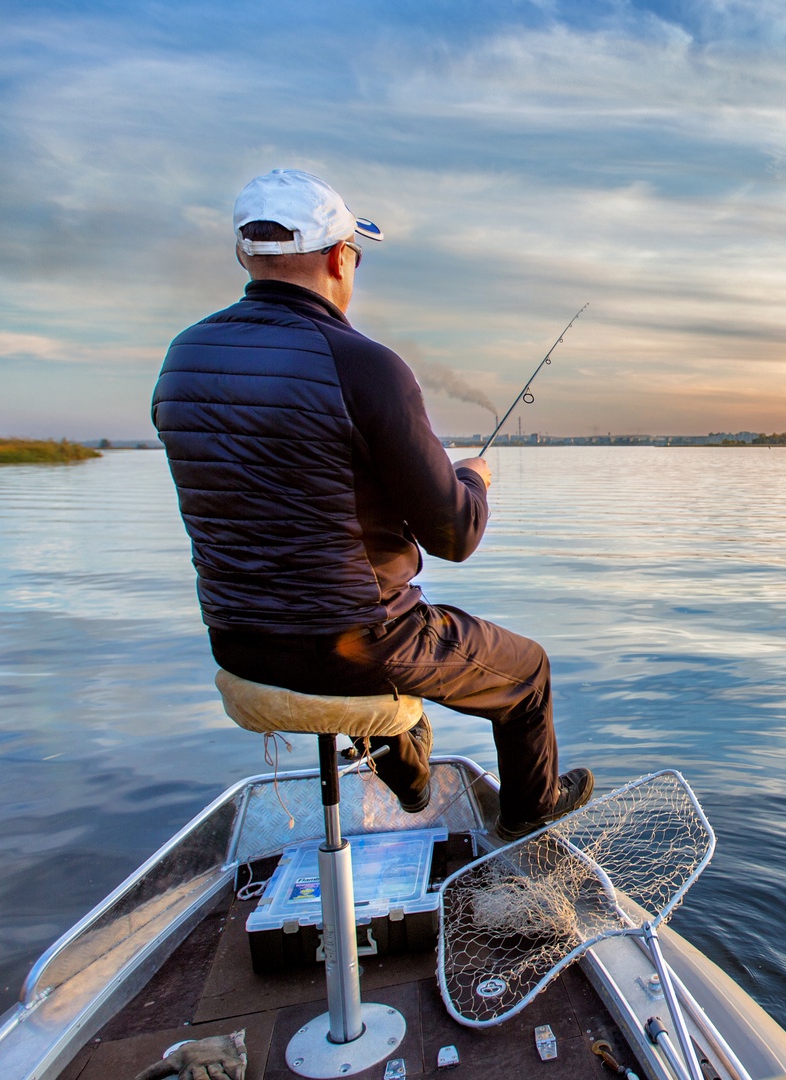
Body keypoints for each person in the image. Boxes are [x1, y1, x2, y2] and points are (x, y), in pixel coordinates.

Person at [152, 168, 591, 839]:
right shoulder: (363, 365)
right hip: (358, 644)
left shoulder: (182, 358)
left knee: (394, 655)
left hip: (238, 644)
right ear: (338, 257)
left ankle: (409, 769)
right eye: (355, 254)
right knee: (526, 672)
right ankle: (529, 821)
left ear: (246, 255)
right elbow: (455, 535)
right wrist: (473, 479)